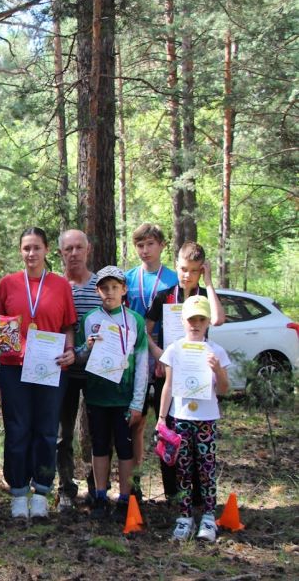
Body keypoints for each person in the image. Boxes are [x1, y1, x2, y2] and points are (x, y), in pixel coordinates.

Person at [0, 227, 77, 520]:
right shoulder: (7, 284)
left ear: (47, 250)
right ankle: (18, 491)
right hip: (14, 369)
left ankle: (41, 491)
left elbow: (68, 326)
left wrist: (70, 350)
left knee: (47, 431)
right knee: (17, 429)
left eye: (37, 247)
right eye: (26, 248)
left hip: (51, 368)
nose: (31, 253)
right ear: (20, 251)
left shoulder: (60, 285)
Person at [144, 241, 224, 501]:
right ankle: (173, 493)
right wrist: (160, 355)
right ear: (176, 265)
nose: (187, 275)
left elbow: (218, 319)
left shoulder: (204, 296)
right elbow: (146, 331)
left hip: (198, 376)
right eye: (182, 268)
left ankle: (198, 495)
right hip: (168, 373)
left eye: (193, 270)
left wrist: (209, 282)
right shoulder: (164, 296)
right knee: (169, 432)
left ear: (201, 270)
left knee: (197, 435)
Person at [75, 266, 148, 522]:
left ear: (124, 289)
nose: (110, 292)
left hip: (124, 397)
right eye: (105, 288)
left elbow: (142, 363)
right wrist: (87, 347)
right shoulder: (90, 319)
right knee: (100, 445)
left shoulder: (135, 321)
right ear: (98, 291)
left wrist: (138, 402)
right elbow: (79, 355)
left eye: (115, 287)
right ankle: (100, 495)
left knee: (125, 448)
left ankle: (125, 498)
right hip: (97, 395)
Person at [157, 295, 230, 541]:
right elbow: (168, 386)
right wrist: (161, 417)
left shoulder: (216, 351)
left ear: (208, 322)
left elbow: (224, 389)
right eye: (191, 319)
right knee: (183, 468)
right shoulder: (174, 349)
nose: (196, 324)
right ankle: (185, 516)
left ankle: (208, 516)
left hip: (206, 419)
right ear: (182, 320)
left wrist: (217, 370)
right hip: (180, 417)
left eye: (201, 319)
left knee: (207, 468)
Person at [123, 223, 177, 498]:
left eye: (150, 244)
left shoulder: (174, 279)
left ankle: (173, 489)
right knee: (136, 421)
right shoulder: (128, 278)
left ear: (162, 245)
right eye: (140, 245)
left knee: (168, 422)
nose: (145, 250)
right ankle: (135, 485)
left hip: (166, 355)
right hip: (136, 357)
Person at [56, 230, 104, 510]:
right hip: (64, 372)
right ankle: (65, 489)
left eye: (78, 248)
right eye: (68, 249)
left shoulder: (102, 286)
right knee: (62, 435)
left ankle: (98, 488)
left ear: (88, 250)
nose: (73, 253)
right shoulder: (55, 286)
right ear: (60, 253)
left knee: (99, 432)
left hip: (98, 373)